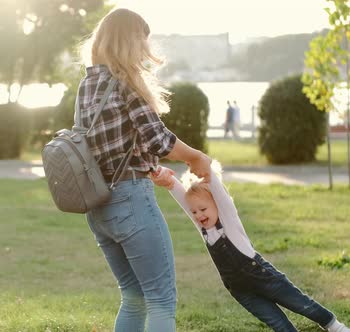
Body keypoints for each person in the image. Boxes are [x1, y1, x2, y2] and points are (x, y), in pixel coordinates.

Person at [77, 8, 212, 331]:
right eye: (140, 42)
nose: (143, 50)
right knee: (161, 300)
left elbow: (98, 144)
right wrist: (195, 157)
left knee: (133, 297)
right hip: (130, 201)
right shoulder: (126, 83)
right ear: (128, 42)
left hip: (98, 208)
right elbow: (159, 140)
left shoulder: (87, 85)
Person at [151, 164, 350, 332]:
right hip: (240, 291)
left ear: (218, 205)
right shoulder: (203, 227)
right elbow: (185, 201)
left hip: (265, 278)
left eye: (203, 209)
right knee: (278, 323)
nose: (198, 215)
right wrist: (169, 183)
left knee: (304, 305)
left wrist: (203, 167)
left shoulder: (228, 220)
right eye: (195, 211)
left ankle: (336, 327)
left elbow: (219, 193)